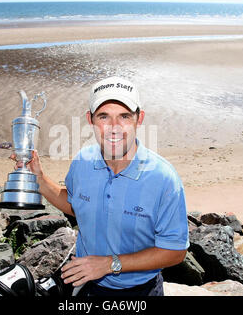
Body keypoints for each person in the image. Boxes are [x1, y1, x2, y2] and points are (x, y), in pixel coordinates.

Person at [13, 76, 189, 296]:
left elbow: (175, 251)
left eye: (124, 116)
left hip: (140, 291)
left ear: (139, 119)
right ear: (91, 120)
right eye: (104, 116)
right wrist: (39, 178)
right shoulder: (82, 162)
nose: (114, 128)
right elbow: (75, 205)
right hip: (86, 285)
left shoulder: (164, 179)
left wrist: (108, 264)